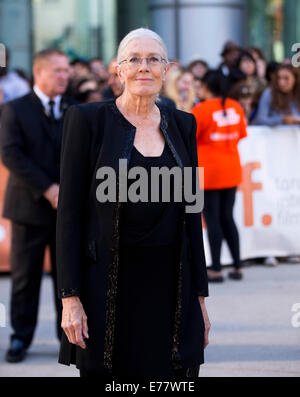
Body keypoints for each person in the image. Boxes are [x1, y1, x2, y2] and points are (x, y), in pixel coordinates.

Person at [56, 27, 210, 378]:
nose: (144, 67)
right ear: (118, 69)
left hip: (172, 289)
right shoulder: (87, 121)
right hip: (106, 289)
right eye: (134, 59)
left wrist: (200, 298)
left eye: (153, 59)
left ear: (167, 70)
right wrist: (69, 297)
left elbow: (192, 213)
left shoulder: (184, 124)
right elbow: (69, 217)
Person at [0, 48, 76, 363]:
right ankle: (20, 337)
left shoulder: (75, 109)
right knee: (24, 279)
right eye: (58, 70)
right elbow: (10, 154)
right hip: (28, 209)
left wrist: (66, 192)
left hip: (66, 211)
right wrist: (48, 189)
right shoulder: (14, 109)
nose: (64, 76)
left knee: (68, 279)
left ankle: (68, 339)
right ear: (40, 72)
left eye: (66, 70)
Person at [191, 70, 247, 282]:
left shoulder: (201, 110)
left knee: (212, 219)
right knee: (228, 217)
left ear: (206, 87)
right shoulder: (236, 106)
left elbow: (190, 137)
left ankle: (215, 268)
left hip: (209, 172)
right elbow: (241, 134)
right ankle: (238, 265)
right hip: (231, 168)